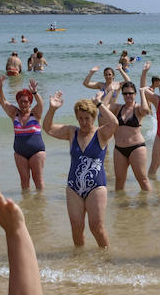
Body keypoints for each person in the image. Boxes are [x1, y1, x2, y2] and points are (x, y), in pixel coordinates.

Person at [43, 90, 115, 248]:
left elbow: (114, 123)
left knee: (96, 227)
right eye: (80, 118)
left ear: (93, 118)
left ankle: (106, 259)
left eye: (87, 118)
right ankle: (79, 261)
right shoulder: (72, 132)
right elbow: (47, 128)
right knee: (76, 228)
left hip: (96, 187)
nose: (83, 122)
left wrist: (100, 104)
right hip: (73, 187)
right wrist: (52, 109)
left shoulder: (101, 133)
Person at [0, 76, 45, 191]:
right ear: (18, 102)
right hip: (20, 153)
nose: (23, 104)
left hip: (37, 152)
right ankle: (26, 205)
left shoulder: (35, 113)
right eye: (21, 101)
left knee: (38, 180)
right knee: (24, 181)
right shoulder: (14, 113)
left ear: (30, 102)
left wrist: (34, 92)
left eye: (26, 101)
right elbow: (3, 101)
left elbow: (41, 103)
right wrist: (0, 87)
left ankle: (41, 205)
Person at [109, 80, 152, 191]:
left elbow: (146, 110)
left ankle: (150, 205)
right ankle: (120, 207)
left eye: (131, 93)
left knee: (142, 180)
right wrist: (115, 90)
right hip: (119, 149)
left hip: (136, 148)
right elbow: (105, 106)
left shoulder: (137, 109)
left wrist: (142, 92)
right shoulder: (118, 108)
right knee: (119, 181)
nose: (128, 95)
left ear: (135, 94)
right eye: (125, 93)